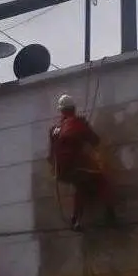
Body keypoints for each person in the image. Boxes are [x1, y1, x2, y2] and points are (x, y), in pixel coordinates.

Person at [47, 94, 118, 232]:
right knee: (101, 180)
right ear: (73, 108)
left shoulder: (54, 129)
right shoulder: (78, 123)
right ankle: (110, 215)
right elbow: (95, 141)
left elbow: (50, 156)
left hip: (61, 171)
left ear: (61, 111)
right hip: (76, 165)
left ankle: (75, 219)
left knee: (82, 185)